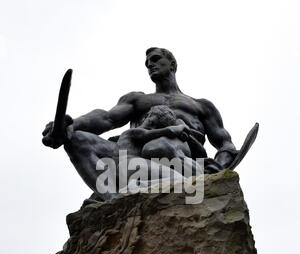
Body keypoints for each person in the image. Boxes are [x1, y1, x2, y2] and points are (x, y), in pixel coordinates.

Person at [42, 47, 238, 199]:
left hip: (178, 161)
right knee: (76, 139)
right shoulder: (138, 100)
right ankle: (115, 201)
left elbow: (226, 145)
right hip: (134, 156)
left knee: (161, 147)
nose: (150, 65)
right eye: (146, 63)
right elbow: (106, 118)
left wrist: (217, 169)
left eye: (155, 59)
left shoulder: (201, 106)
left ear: (172, 64)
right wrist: (71, 124)